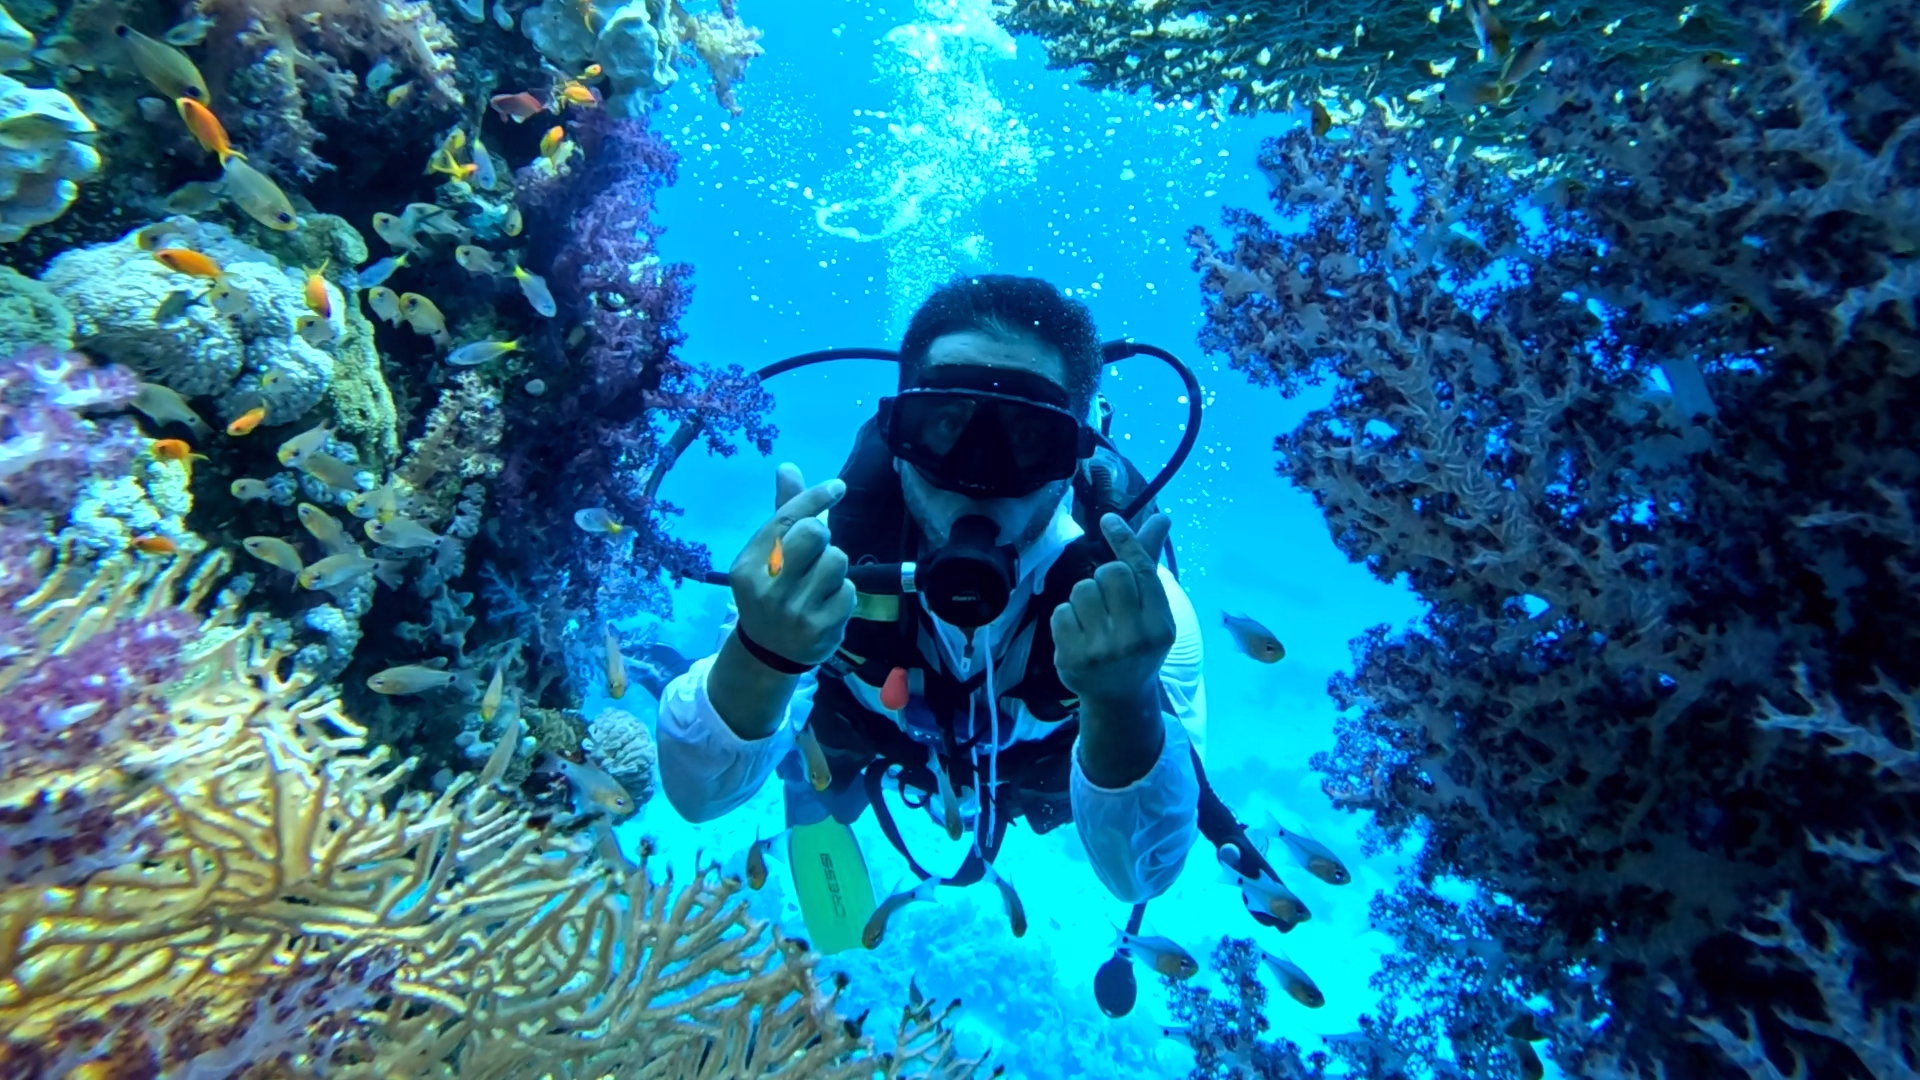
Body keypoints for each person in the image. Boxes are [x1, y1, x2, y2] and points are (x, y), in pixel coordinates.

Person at [655, 274, 1208, 934]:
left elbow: (1139, 877)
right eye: (945, 424)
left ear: (1072, 458)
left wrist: (1123, 701)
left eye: (1028, 436)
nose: (978, 478)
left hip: (1041, 773)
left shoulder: (1142, 617)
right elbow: (694, 795)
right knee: (819, 750)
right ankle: (812, 791)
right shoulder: (814, 569)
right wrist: (763, 656)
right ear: (897, 439)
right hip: (869, 732)